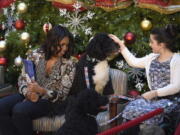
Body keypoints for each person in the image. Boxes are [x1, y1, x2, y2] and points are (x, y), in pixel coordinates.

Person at [0, 25, 76, 135]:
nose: (65, 48)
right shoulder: (35, 54)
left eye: (67, 45)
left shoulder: (69, 64)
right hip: (30, 94)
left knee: (20, 110)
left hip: (51, 102)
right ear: (52, 42)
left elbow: (62, 94)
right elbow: (22, 79)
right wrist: (28, 93)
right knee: (1, 106)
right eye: (62, 44)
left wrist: (42, 91)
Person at [109, 24, 180, 134]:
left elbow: (176, 86)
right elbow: (134, 62)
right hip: (153, 101)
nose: (149, 44)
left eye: (152, 42)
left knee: (138, 112)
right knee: (130, 108)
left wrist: (154, 93)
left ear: (161, 44)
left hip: (170, 103)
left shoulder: (177, 60)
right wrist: (121, 46)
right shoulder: (151, 58)